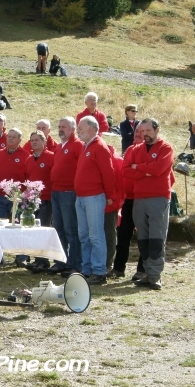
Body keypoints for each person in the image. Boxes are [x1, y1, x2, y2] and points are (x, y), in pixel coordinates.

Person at [123, 118, 174, 291]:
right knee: (143, 238)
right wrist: (147, 170)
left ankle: (155, 276)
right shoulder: (135, 149)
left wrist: (138, 167)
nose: (144, 135)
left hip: (158, 197)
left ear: (157, 130)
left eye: (148, 131)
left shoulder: (166, 148)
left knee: (157, 237)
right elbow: (126, 170)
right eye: (141, 132)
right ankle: (147, 272)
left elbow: (159, 169)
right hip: (139, 198)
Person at [74, 116, 117, 285]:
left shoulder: (99, 146)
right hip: (82, 197)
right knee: (84, 235)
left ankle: (99, 271)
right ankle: (87, 269)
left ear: (91, 129)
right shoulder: (86, 146)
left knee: (95, 235)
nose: (78, 131)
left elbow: (108, 173)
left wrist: (110, 196)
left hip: (94, 197)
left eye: (81, 128)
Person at [109, 124, 146, 281]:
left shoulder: (153, 150)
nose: (137, 134)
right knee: (123, 235)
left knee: (144, 236)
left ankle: (142, 270)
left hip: (144, 198)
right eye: (136, 131)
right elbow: (125, 171)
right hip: (129, 199)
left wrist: (137, 168)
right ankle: (118, 268)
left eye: (141, 132)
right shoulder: (130, 150)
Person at [48, 117, 83, 277]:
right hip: (56, 191)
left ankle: (74, 263)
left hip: (69, 192)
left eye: (65, 127)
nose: (61, 129)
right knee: (59, 229)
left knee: (71, 230)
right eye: (60, 126)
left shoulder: (77, 145)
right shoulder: (59, 146)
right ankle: (60, 262)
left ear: (73, 129)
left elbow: (82, 168)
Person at [0, 128, 30, 266]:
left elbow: (29, 177)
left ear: (20, 140)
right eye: (9, 137)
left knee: (19, 227)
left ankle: (21, 257)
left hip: (17, 199)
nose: (10, 139)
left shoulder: (26, 155)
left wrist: (25, 195)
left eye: (14, 137)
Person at [24, 130, 55, 272]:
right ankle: (37, 260)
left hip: (46, 200)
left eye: (37, 140)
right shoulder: (29, 160)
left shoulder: (51, 157)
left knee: (43, 229)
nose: (34, 142)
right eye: (32, 140)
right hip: (32, 201)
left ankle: (44, 261)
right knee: (34, 231)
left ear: (44, 142)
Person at [104, 145, 124, 273]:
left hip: (110, 203)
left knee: (109, 233)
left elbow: (122, 185)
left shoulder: (116, 161)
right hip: (93, 202)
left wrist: (116, 201)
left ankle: (107, 264)